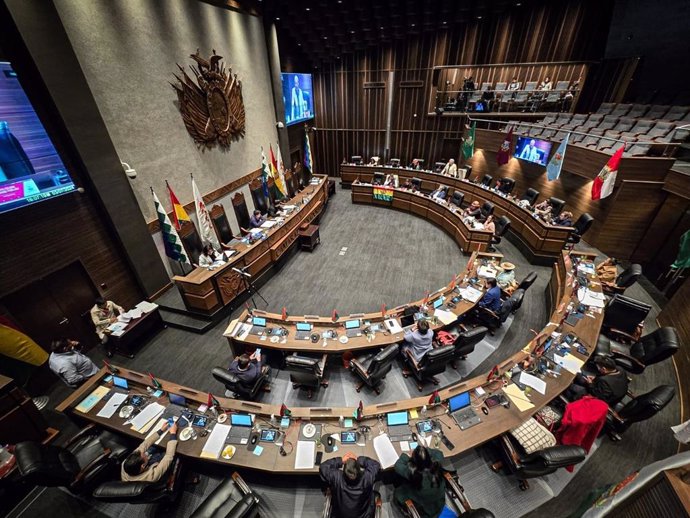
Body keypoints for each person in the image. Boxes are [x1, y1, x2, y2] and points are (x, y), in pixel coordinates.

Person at [319, 452, 381, 518]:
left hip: (340, 515)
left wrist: (341, 460)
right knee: (375, 494)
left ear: (343, 471)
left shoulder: (336, 477)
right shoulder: (367, 477)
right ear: (359, 469)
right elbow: (376, 465)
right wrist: (359, 459)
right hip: (363, 515)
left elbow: (323, 467)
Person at [394, 445, 446, 518]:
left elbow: (397, 465)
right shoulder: (436, 464)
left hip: (423, 507)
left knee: (398, 492)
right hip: (439, 503)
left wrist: (405, 455)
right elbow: (439, 453)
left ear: (414, 462)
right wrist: (425, 452)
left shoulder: (412, 472)